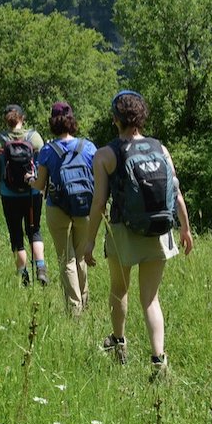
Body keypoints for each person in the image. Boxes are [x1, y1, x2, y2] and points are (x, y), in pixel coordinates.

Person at [81, 90, 194, 381]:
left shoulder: (106, 155)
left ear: (114, 119)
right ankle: (158, 361)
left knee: (119, 290)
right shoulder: (161, 148)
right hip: (160, 231)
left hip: (123, 233)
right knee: (150, 298)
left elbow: (99, 202)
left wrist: (90, 239)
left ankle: (119, 345)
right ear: (142, 117)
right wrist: (185, 227)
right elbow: (176, 191)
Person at [32, 101, 96, 316]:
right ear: (72, 121)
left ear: (53, 122)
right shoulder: (88, 147)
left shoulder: (48, 150)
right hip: (85, 208)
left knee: (65, 259)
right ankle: (84, 302)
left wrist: (29, 179)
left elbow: (40, 185)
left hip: (57, 208)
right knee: (80, 257)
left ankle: (74, 310)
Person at [0, 105, 47, 286]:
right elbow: (41, 166)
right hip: (32, 192)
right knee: (34, 230)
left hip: (9, 194)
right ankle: (41, 268)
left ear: (6, 119)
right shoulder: (35, 138)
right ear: (22, 118)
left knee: (16, 235)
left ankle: (23, 274)